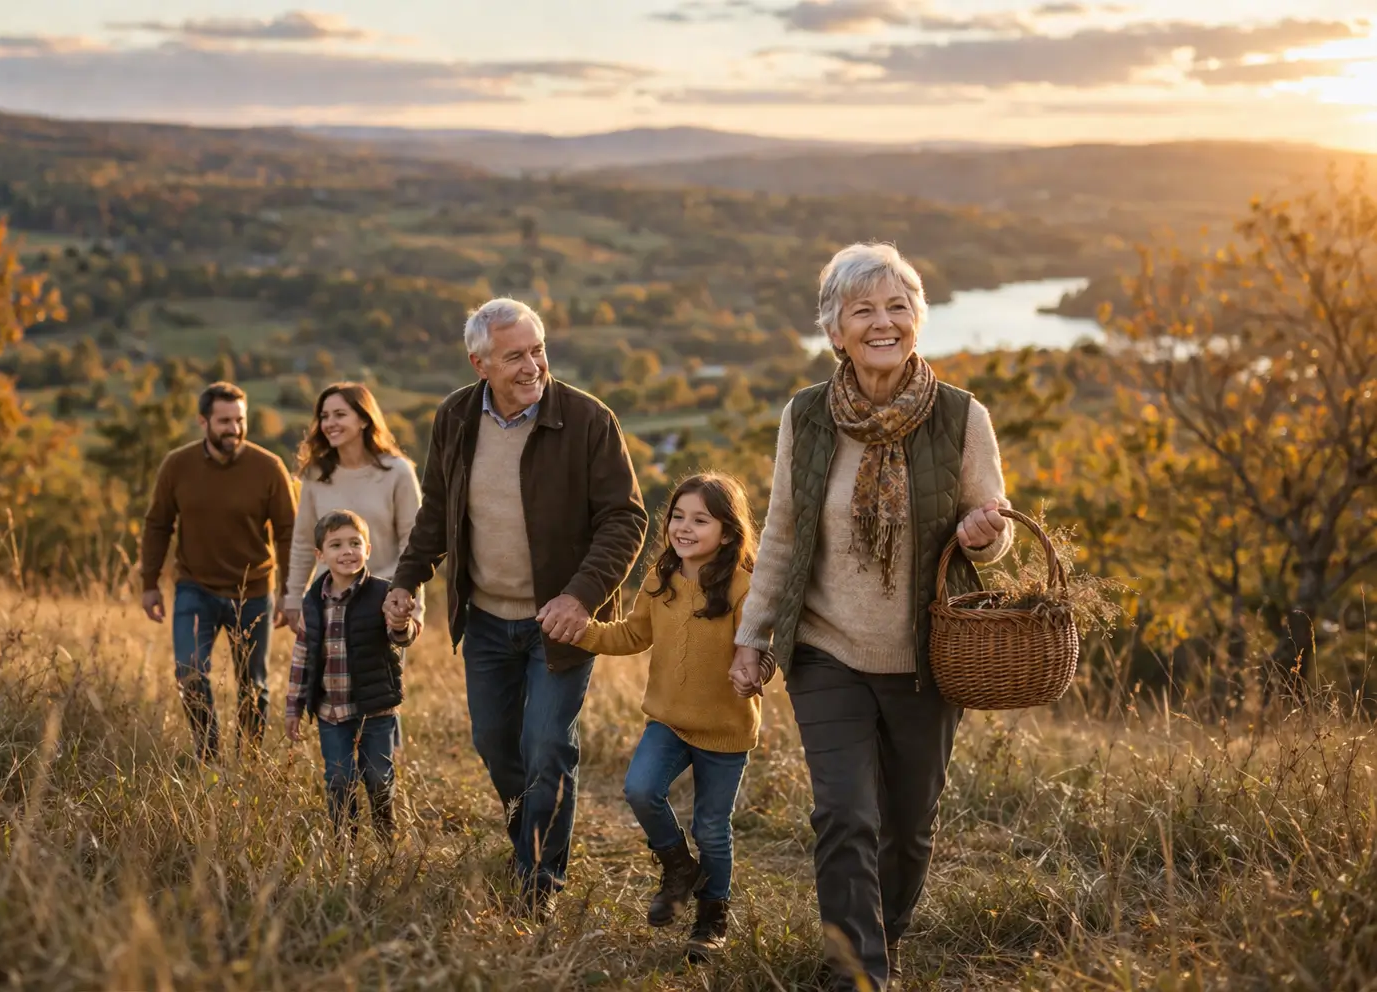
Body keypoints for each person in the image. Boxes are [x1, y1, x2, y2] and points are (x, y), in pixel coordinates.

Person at [729, 243, 1013, 991]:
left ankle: (879, 934)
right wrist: (752, 639)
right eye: (863, 310)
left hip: (927, 658)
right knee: (846, 817)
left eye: (897, 307)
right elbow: (784, 532)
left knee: (909, 831)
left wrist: (987, 531)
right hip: (827, 651)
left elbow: (997, 521)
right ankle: (856, 974)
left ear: (916, 320)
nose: (882, 322)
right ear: (836, 330)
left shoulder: (960, 416)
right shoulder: (807, 417)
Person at [385, 297, 648, 920]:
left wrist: (579, 596)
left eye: (539, 349)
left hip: (559, 624)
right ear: (480, 364)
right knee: (495, 741)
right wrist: (406, 580)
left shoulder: (588, 420)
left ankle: (539, 883)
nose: (533, 365)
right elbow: (436, 512)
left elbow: (625, 519)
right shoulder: (454, 417)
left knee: (547, 745)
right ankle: (528, 838)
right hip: (485, 620)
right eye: (515, 356)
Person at [569, 472, 773, 962]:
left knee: (711, 827)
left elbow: (762, 648)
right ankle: (678, 866)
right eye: (678, 517)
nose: (684, 527)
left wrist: (754, 672)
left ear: (726, 532)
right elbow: (633, 636)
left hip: (726, 731)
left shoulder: (747, 587)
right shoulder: (659, 581)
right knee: (640, 788)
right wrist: (583, 632)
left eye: (700, 520)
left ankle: (710, 918)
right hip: (669, 721)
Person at [140, 381, 298, 761]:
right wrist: (149, 584)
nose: (234, 428)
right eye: (224, 421)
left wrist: (291, 591)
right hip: (196, 587)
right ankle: (208, 754)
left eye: (240, 420)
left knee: (253, 685)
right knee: (189, 673)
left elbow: (290, 532)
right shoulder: (178, 465)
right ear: (203, 421)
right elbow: (158, 524)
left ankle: (249, 758)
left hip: (254, 590)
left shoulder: (268, 467)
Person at [284, 511, 420, 841]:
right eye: (336, 544)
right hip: (332, 712)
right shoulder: (312, 602)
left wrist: (402, 625)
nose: (347, 551)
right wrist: (294, 707)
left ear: (368, 549)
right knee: (338, 777)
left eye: (355, 543)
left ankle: (385, 829)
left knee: (377, 775)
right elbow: (301, 656)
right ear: (320, 555)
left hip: (375, 709)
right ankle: (345, 841)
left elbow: (401, 636)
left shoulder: (382, 593)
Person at [281, 382, 422, 634]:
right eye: (324, 417)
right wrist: (293, 599)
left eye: (340, 414)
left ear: (364, 420)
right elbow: (303, 542)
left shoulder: (397, 472)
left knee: (380, 674)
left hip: (384, 601)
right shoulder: (315, 474)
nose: (329, 423)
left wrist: (413, 606)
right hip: (327, 601)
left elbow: (413, 544)